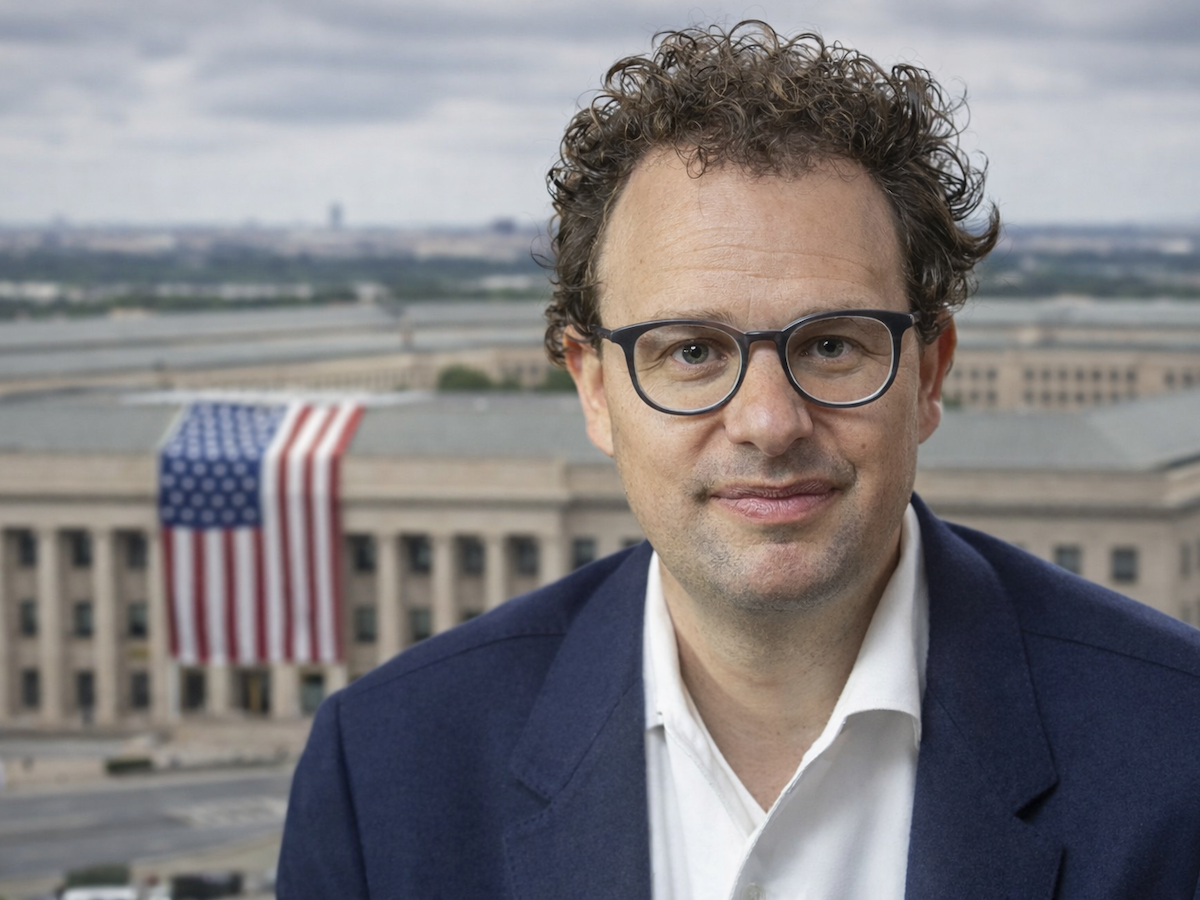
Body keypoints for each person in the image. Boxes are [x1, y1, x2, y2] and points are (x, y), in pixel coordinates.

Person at [278, 22, 1200, 899]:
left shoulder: (1177, 747)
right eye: (691, 351)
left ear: (928, 374)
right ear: (594, 389)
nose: (768, 421)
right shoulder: (389, 769)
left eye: (833, 345)